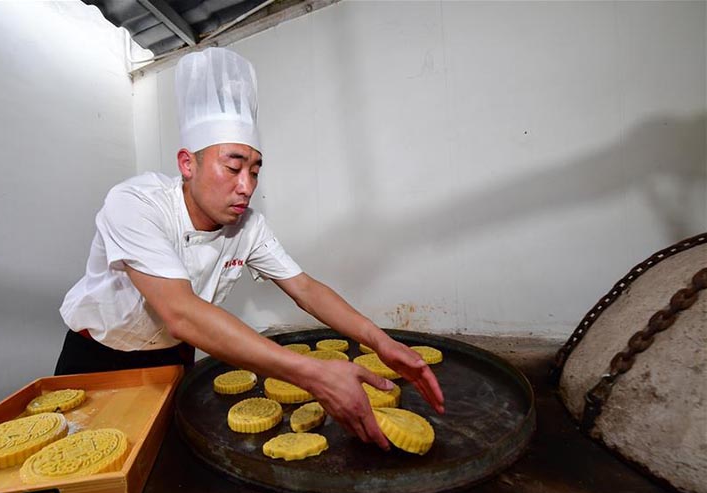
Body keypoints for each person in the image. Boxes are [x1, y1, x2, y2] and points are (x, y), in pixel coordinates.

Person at [57, 47, 443, 450]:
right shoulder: (136, 204)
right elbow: (180, 312)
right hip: (97, 359)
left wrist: (380, 341)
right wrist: (312, 373)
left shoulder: (248, 225)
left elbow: (306, 289)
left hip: (170, 359)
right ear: (187, 164)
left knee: (167, 463)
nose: (246, 186)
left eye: (255, 170)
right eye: (233, 166)